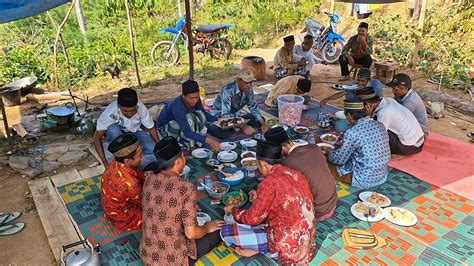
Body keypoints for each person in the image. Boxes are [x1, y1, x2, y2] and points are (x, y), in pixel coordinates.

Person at [223, 141, 315, 265]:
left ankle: (268, 250)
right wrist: (259, 197)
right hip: (306, 242)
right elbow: (285, 202)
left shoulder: (268, 183)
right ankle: (261, 247)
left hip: (288, 249)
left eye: (257, 164)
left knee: (226, 232)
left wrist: (233, 210)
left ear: (262, 164)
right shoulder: (296, 173)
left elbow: (252, 219)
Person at [140, 137, 225, 265]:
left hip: (148, 253)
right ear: (180, 161)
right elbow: (191, 234)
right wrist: (207, 228)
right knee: (220, 230)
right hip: (173, 259)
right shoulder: (185, 188)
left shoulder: (149, 178)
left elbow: (162, 201)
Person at [264, 127, 337, 221]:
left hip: (318, 212)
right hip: (332, 202)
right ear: (289, 139)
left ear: (277, 149)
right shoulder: (314, 147)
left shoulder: (288, 164)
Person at [327, 99, 391, 188]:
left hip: (363, 178)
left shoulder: (353, 132)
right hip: (381, 174)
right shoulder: (379, 125)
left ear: (349, 115)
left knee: (324, 162)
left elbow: (339, 160)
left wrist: (329, 153)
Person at [93, 88, 160, 169]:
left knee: (153, 149)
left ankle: (133, 158)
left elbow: (151, 129)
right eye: (125, 111)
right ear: (118, 105)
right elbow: (97, 138)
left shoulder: (141, 107)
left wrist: (159, 145)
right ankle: (120, 154)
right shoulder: (110, 112)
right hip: (118, 136)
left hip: (135, 133)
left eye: (133, 110)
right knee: (113, 129)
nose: (130, 114)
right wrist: (105, 162)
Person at [157, 80, 224, 152]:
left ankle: (195, 141)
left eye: (197, 97)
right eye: (191, 98)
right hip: (166, 129)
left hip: (181, 124)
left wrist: (219, 120)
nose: (195, 100)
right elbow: (187, 131)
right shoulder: (177, 106)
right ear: (183, 96)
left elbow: (204, 114)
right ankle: (186, 145)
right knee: (190, 118)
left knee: (200, 114)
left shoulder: (195, 98)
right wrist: (208, 140)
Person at [356, 87, 425, 155]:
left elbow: (377, 137)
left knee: (375, 134)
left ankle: (402, 154)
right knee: (379, 124)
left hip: (410, 147)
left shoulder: (384, 113)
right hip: (420, 142)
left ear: (368, 105)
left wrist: (369, 116)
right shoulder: (387, 100)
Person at [101, 133, 145, 231]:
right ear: (127, 160)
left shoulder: (116, 161)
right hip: (122, 215)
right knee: (159, 215)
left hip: (109, 205)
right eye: (140, 155)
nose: (143, 156)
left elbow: (138, 172)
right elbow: (143, 203)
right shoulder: (131, 185)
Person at [211, 68, 268, 133]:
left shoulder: (249, 89)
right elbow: (225, 114)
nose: (249, 85)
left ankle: (237, 126)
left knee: (260, 120)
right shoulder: (228, 90)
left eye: (251, 82)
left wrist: (263, 124)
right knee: (222, 131)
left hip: (235, 115)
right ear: (239, 80)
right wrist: (242, 125)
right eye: (246, 82)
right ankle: (237, 126)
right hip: (220, 115)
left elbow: (253, 107)